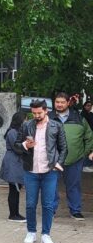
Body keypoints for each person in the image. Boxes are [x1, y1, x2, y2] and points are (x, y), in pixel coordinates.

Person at [13, 99, 67, 243]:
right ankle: (31, 232)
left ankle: (46, 234)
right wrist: (25, 145)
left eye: (39, 113)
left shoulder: (56, 126)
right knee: (30, 204)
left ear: (46, 111)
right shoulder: (26, 125)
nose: (36, 115)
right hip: (31, 171)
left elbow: (63, 148)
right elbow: (16, 146)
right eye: (34, 113)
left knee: (48, 205)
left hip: (50, 171)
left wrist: (58, 164)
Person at [50, 92, 93, 220]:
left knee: (74, 185)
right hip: (53, 159)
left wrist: (83, 154)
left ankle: (75, 210)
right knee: (51, 185)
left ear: (68, 102)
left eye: (62, 102)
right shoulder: (48, 117)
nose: (59, 104)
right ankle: (50, 210)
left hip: (75, 159)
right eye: (57, 102)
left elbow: (89, 137)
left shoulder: (79, 118)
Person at [0, 111, 28, 222]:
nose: (26, 122)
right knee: (14, 189)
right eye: (25, 119)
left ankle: (15, 213)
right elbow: (17, 148)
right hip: (13, 162)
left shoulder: (17, 131)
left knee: (16, 189)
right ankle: (13, 215)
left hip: (16, 162)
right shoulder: (12, 132)